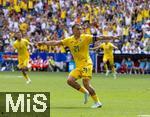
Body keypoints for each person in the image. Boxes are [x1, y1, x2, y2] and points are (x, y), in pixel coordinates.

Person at [38, 24, 117, 108]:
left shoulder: (85, 37)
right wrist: (44, 42)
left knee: (86, 83)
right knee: (70, 80)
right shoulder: (69, 40)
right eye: (78, 29)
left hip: (87, 64)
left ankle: (97, 102)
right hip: (79, 66)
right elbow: (56, 42)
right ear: (73, 31)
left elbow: (100, 37)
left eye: (80, 29)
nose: (80, 31)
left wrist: (112, 37)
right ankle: (85, 92)